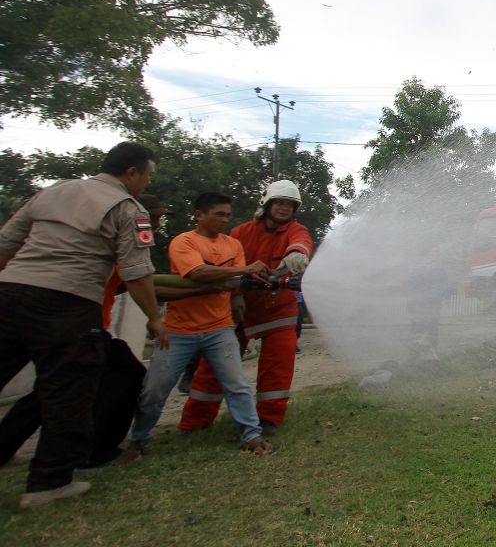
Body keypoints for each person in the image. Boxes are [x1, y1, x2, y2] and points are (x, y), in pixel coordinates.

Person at [0, 142, 167, 509]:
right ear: (132, 173)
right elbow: (137, 271)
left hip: (9, 293)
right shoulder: (129, 209)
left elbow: (6, 243)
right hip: (68, 304)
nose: (145, 184)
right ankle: (49, 483)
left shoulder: (52, 191)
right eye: (147, 176)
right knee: (67, 392)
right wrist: (155, 317)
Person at [117, 193, 275, 462]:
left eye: (227, 214)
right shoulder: (184, 242)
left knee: (237, 385)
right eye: (219, 214)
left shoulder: (233, 245)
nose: (225, 220)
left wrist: (240, 292)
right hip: (178, 331)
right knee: (155, 390)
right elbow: (197, 273)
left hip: (220, 328)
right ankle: (138, 440)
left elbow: (235, 280)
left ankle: (251, 435)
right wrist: (242, 271)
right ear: (199, 215)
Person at [180, 180, 312, 437]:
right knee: (215, 367)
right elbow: (228, 264)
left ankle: (269, 419)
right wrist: (237, 295)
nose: (284, 208)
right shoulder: (241, 232)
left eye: (289, 204)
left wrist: (297, 253)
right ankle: (195, 422)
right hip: (240, 310)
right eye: (280, 203)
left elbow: (301, 241)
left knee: (278, 367)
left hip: (279, 310)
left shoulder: (296, 231)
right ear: (267, 203)